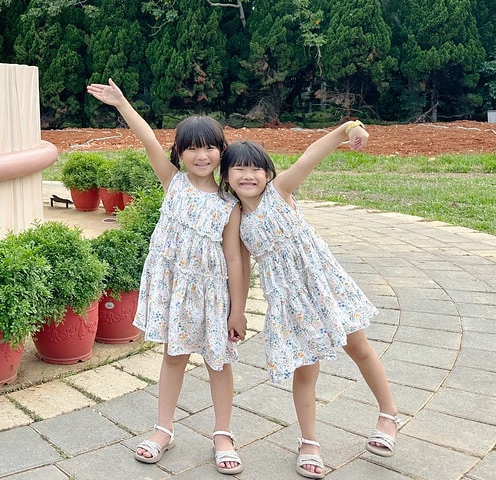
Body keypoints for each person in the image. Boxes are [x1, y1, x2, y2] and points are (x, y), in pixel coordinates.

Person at [220, 121, 401, 479]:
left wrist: (347, 129)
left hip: (325, 286)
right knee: (305, 371)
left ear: (268, 172)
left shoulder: (280, 191)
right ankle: (309, 442)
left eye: (256, 167)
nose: (249, 174)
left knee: (360, 348)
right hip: (290, 302)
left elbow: (309, 157)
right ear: (226, 176)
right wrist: (237, 312)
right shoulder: (235, 218)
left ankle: (389, 415)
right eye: (239, 168)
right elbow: (239, 267)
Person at [87, 79, 245, 475]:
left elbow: (235, 260)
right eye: (191, 147)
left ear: (221, 151)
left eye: (209, 146)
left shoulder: (229, 204)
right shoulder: (172, 181)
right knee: (173, 356)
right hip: (176, 290)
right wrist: (122, 103)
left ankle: (223, 434)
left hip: (212, 295)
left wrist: (237, 310)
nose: (201, 154)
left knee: (218, 361)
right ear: (179, 153)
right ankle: (163, 429)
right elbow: (146, 139)